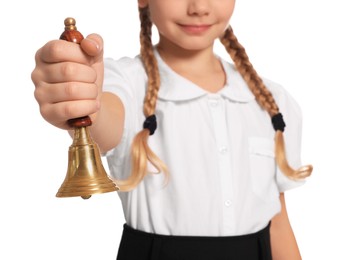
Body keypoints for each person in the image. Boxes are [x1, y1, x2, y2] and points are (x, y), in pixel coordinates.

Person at [32, 0, 313, 259]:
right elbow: (105, 119)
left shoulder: (272, 101)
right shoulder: (125, 83)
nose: (199, 7)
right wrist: (84, 102)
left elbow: (277, 222)